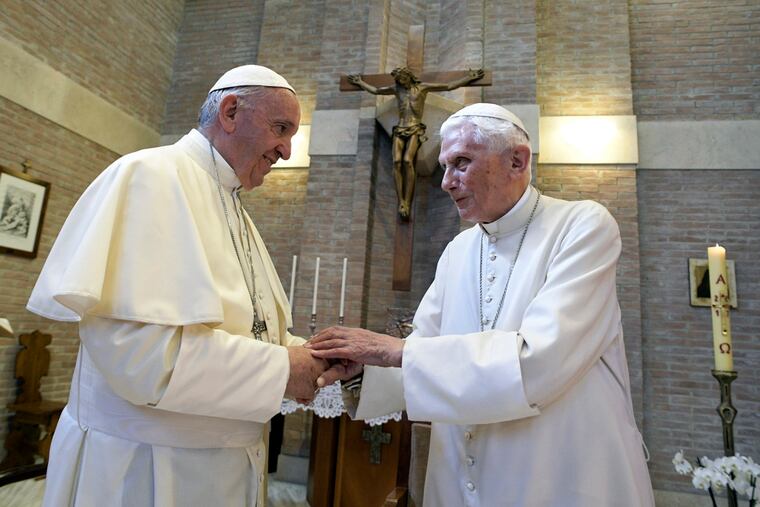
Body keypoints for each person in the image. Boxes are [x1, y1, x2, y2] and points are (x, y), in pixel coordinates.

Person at [308, 103, 655, 506]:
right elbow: (424, 350)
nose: (446, 182)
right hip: (458, 477)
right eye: (444, 166)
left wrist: (393, 350)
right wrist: (363, 372)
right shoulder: (458, 249)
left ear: (516, 160)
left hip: (558, 475)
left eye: (461, 163)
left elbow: (539, 362)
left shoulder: (581, 226)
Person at [26, 65, 327, 507]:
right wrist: (287, 367)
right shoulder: (151, 176)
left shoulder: (234, 208)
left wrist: (315, 355)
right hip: (143, 471)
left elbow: (253, 332)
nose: (285, 150)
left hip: (221, 467)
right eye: (280, 129)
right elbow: (144, 359)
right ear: (230, 111)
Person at [348, 67, 484, 220]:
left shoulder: (422, 88)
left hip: (415, 129)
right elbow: (376, 90)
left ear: (409, 77)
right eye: (398, 80)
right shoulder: (396, 90)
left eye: (402, 78)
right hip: (399, 129)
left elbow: (448, 86)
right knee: (397, 162)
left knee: (407, 161)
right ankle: (403, 201)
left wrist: (468, 78)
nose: (400, 82)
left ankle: (407, 200)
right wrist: (360, 82)